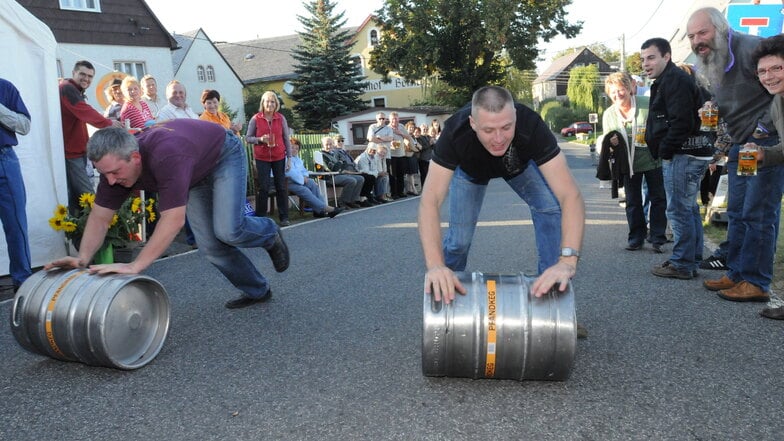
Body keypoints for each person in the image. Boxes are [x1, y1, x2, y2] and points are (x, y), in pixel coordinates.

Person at [44, 120, 290, 310]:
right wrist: (82, 258)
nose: (110, 181)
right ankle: (258, 290)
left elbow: (173, 219)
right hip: (192, 170)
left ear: (136, 157)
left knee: (229, 230)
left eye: (114, 172)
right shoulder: (114, 172)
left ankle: (269, 233)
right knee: (210, 246)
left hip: (222, 154)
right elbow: (99, 217)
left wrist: (136, 265)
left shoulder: (166, 155)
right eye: (103, 174)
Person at [418, 86, 584, 302]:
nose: (498, 138)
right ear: (473, 123)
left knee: (551, 207)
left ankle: (552, 297)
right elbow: (430, 201)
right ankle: (444, 294)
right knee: (458, 242)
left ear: (515, 116)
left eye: (506, 127)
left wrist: (567, 262)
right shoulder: (454, 132)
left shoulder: (530, 124)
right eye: (488, 130)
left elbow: (570, 195)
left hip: (516, 166)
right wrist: (435, 265)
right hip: (470, 172)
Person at [688, 8, 781, 302]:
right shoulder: (707, 59)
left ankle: (756, 281)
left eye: (702, 32)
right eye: (691, 36)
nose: (696, 40)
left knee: (759, 212)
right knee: (738, 211)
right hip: (740, 144)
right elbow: (726, 95)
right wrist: (711, 108)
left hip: (765, 143)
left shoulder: (751, 48)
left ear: (721, 28)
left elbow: (776, 84)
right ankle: (738, 272)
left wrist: (762, 129)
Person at [642, 37, 711, 281]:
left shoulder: (674, 80)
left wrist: (665, 150)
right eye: (643, 59)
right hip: (689, 152)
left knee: (679, 209)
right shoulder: (668, 80)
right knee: (688, 207)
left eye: (651, 57)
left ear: (666, 56)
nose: (645, 64)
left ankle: (682, 263)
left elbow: (682, 122)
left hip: (683, 154)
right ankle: (691, 259)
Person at [730, 35, 784, 319]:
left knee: (761, 216)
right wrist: (763, 152)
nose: (768, 76)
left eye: (776, 68)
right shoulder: (778, 102)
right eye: (763, 71)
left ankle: (756, 281)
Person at [600, 72, 667, 253]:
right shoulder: (609, 115)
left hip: (653, 159)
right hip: (628, 164)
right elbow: (608, 141)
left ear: (630, 89)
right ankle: (636, 237)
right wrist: (611, 142)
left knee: (658, 198)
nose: (618, 94)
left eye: (621, 90)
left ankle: (658, 237)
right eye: (613, 92)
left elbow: (662, 125)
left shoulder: (647, 104)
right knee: (633, 201)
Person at [60, 61, 122, 213]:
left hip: (78, 152)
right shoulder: (67, 88)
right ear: (73, 73)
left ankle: (79, 236)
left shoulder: (74, 90)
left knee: (77, 201)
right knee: (88, 198)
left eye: (90, 76)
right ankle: (100, 232)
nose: (86, 79)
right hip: (71, 154)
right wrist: (108, 123)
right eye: (82, 74)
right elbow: (85, 111)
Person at [0, 78, 32, 292]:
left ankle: (22, 281)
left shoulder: (5, 87)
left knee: (16, 224)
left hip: (4, 159)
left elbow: (24, 126)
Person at [245, 91, 292, 226]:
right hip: (262, 157)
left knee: (281, 186)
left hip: (278, 156)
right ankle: (261, 218)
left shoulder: (280, 118)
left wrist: (289, 158)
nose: (270, 104)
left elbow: (286, 139)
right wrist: (260, 139)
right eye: (267, 101)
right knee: (263, 187)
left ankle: (284, 218)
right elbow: (248, 138)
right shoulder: (256, 118)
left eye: (273, 102)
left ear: (276, 104)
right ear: (263, 103)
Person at [286, 137, 342, 218]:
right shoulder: (285, 158)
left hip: (298, 181)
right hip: (288, 182)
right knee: (304, 190)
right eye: (292, 147)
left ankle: (318, 211)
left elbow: (304, 170)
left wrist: (305, 176)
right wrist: (302, 179)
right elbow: (290, 172)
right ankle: (326, 209)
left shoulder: (297, 159)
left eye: (296, 148)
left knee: (312, 183)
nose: (294, 150)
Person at [319, 136, 365, 208]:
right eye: (326, 144)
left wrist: (342, 165)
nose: (329, 146)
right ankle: (343, 202)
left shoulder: (333, 153)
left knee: (360, 178)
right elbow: (330, 169)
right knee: (351, 180)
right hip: (329, 177)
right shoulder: (321, 154)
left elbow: (341, 167)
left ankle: (352, 200)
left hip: (339, 174)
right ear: (322, 145)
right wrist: (340, 162)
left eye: (330, 144)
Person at [333, 135, 377, 204]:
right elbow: (339, 166)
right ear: (334, 143)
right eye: (338, 141)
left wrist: (357, 171)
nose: (341, 142)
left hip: (353, 171)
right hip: (345, 172)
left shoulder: (344, 152)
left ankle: (361, 198)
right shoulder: (335, 152)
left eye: (342, 141)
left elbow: (353, 163)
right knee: (364, 178)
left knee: (370, 177)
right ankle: (357, 199)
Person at [387, 112, 415, 199]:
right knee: (392, 175)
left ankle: (400, 192)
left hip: (401, 154)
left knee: (401, 174)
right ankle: (394, 193)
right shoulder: (387, 128)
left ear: (398, 119)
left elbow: (408, 137)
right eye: (393, 119)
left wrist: (400, 133)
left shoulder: (401, 127)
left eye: (396, 118)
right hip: (391, 155)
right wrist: (390, 142)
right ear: (390, 119)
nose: (394, 120)